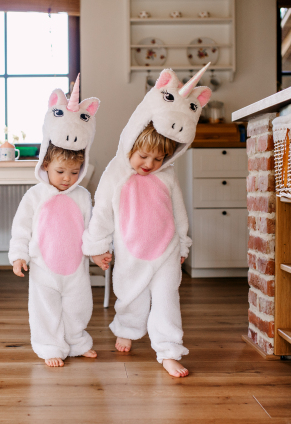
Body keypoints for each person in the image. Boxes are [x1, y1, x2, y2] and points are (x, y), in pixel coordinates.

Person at [83, 65, 212, 377]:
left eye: (159, 159)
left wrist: (183, 243)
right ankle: (126, 328)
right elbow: (101, 211)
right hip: (131, 251)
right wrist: (98, 247)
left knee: (167, 298)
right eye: (143, 156)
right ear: (132, 142)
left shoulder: (166, 176)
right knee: (131, 295)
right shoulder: (117, 172)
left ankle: (169, 350)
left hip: (166, 249)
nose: (150, 164)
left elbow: (178, 212)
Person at [9, 75, 100, 367]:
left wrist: (99, 250)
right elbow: (21, 228)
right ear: (46, 165)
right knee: (45, 308)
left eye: (74, 173)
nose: (67, 178)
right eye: (61, 171)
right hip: (43, 268)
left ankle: (76, 341)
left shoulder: (83, 196)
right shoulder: (35, 196)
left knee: (78, 306)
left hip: (76, 268)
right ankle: (50, 345)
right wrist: (18, 256)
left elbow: (92, 228)